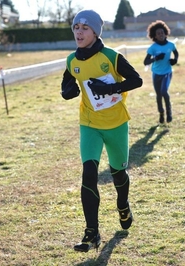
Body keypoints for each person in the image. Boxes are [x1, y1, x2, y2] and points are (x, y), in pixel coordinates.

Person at [60, 9, 143, 253]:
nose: (79, 32)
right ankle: (91, 232)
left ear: (96, 32)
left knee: (118, 172)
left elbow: (136, 80)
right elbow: (67, 82)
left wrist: (111, 89)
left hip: (116, 123)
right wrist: (67, 91)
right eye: (76, 28)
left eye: (84, 28)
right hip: (89, 124)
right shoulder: (71, 60)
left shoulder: (112, 57)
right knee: (88, 173)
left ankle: (123, 205)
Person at [143, 20, 179, 124]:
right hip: (156, 73)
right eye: (158, 34)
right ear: (155, 36)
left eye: (162, 32)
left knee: (164, 92)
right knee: (158, 94)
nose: (161, 35)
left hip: (167, 72)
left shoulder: (171, 45)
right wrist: (156, 58)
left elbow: (176, 53)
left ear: (165, 33)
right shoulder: (153, 48)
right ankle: (161, 113)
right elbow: (145, 62)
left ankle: (169, 112)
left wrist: (175, 60)